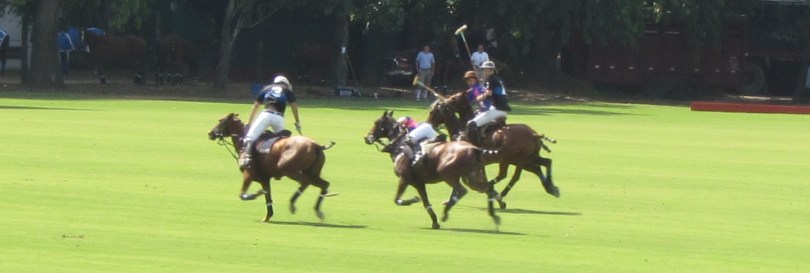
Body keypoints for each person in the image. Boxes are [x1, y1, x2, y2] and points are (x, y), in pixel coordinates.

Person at [239, 75, 302, 170]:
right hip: (279, 118)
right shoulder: (287, 90)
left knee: (250, 137)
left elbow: (255, 106)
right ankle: (288, 161)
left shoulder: (267, 88)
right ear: (285, 83)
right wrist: (297, 122)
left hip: (266, 115)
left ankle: (246, 159)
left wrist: (249, 123)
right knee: (283, 142)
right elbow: (294, 108)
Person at [465, 61, 511, 145]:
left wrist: (479, 98)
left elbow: (488, 94)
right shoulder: (496, 79)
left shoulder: (492, 79)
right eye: (483, 70)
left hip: (497, 109)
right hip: (499, 109)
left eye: (485, 69)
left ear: (491, 70)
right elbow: (491, 94)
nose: (484, 71)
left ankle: (475, 148)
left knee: (471, 124)